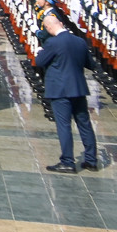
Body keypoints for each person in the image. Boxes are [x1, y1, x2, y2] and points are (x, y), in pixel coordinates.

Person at [37, 12, 101, 173]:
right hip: (78, 88)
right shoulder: (79, 41)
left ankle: (67, 161)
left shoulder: (53, 43)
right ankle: (91, 160)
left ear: (48, 27)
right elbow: (91, 64)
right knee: (84, 124)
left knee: (64, 126)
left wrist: (40, 51)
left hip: (60, 90)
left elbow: (40, 61)